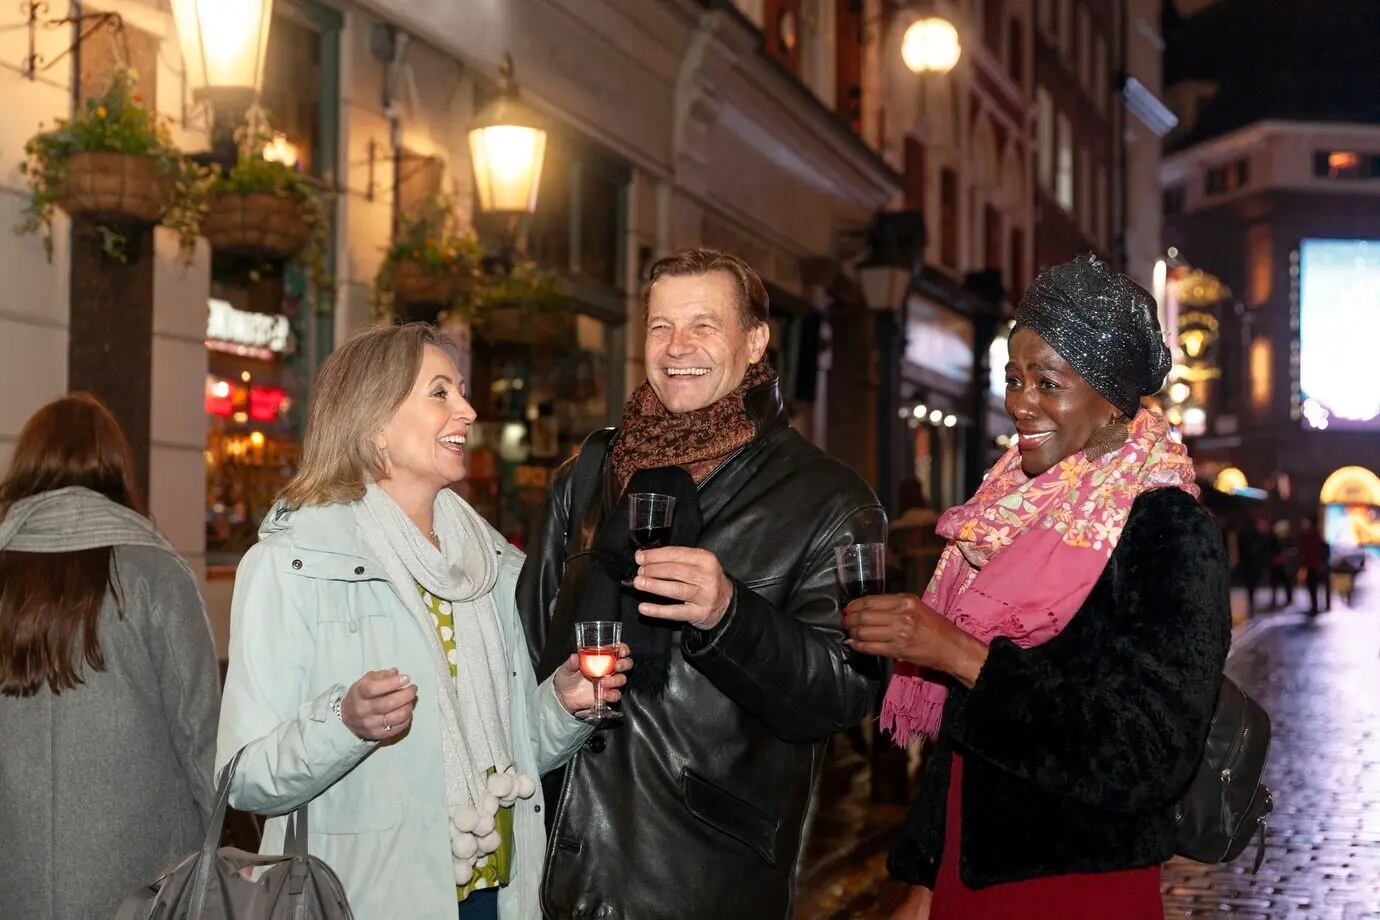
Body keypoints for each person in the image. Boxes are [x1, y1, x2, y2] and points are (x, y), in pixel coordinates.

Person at [844, 255, 1232, 920]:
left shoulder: (1167, 528)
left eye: (1048, 382)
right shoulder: (1008, 510)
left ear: (1111, 395)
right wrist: (924, 875)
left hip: (1079, 889)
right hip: (966, 877)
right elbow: (965, 735)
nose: (1020, 402)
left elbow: (1151, 754)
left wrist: (958, 654)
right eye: (1014, 378)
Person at [215, 324, 630, 920]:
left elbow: (510, 756)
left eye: (460, 390)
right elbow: (244, 778)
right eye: (440, 392)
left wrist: (563, 706)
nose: (467, 409)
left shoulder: (490, 568)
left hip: (498, 895)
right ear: (374, 424)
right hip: (366, 901)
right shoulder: (293, 565)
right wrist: (345, 722)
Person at [517, 247, 885, 919]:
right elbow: (526, 647)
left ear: (755, 341)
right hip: (552, 865)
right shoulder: (586, 477)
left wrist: (729, 615)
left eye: (703, 325)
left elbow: (844, 693)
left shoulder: (829, 501)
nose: (677, 347)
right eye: (660, 326)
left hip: (700, 877)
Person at [0, 394, 220, 920]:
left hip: (15, 869)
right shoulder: (155, 574)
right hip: (147, 880)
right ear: (116, 466)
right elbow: (201, 734)